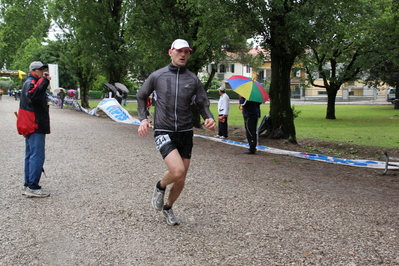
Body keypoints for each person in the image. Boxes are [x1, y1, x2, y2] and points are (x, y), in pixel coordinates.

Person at [137, 39, 216, 225]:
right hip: (163, 129)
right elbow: (141, 96)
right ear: (170, 52)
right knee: (177, 170)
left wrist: (209, 117)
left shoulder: (193, 79)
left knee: (181, 179)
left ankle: (168, 208)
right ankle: (160, 186)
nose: (183, 55)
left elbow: (202, 103)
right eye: (179, 51)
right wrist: (143, 119)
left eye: (187, 52)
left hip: (185, 132)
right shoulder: (157, 76)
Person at [17, 61, 51, 198]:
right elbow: (33, 95)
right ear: (33, 71)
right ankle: (33, 186)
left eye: (43, 69)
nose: (42, 71)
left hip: (30, 123)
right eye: (40, 69)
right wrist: (44, 81)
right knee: (37, 155)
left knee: (30, 155)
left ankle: (28, 183)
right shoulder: (32, 82)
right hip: (34, 123)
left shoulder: (29, 82)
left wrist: (42, 81)